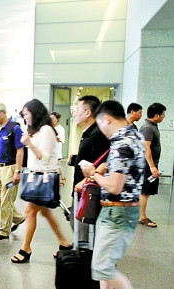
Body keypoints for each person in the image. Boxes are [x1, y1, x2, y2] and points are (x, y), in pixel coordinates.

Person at [81, 100, 145, 289]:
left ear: (107, 120)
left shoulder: (121, 143)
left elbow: (115, 187)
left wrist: (92, 173)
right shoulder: (135, 135)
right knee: (105, 267)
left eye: (100, 124)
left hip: (118, 213)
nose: (101, 130)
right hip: (121, 211)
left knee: (102, 268)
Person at [10, 99, 71, 263]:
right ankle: (64, 242)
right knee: (44, 212)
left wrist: (29, 143)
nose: (24, 117)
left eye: (26, 114)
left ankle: (26, 248)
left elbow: (43, 157)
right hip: (36, 177)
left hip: (43, 178)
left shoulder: (46, 130)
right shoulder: (36, 130)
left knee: (30, 211)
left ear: (35, 113)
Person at [0, 103, 25, 241]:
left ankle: (3, 230)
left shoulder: (15, 129)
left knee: (6, 200)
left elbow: (20, 150)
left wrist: (17, 171)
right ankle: (18, 218)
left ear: (3, 113)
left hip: (10, 169)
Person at [72, 95, 110, 243]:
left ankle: (88, 258)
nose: (75, 113)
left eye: (77, 109)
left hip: (90, 193)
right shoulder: (89, 133)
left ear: (88, 113)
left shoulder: (98, 135)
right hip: (83, 190)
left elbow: (105, 164)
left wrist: (87, 180)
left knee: (88, 232)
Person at [138, 102, 166, 228]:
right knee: (145, 191)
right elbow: (146, 148)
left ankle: (141, 215)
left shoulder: (153, 125)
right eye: (163, 114)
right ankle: (142, 217)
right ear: (156, 115)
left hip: (151, 164)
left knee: (147, 192)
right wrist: (152, 166)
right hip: (147, 165)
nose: (164, 116)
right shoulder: (147, 128)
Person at [50, 111, 66, 185]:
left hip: (56, 149)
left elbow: (61, 139)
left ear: (57, 119)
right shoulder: (50, 127)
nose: (51, 120)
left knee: (58, 165)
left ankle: (63, 178)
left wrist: (54, 137)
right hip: (50, 149)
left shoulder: (60, 128)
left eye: (53, 118)